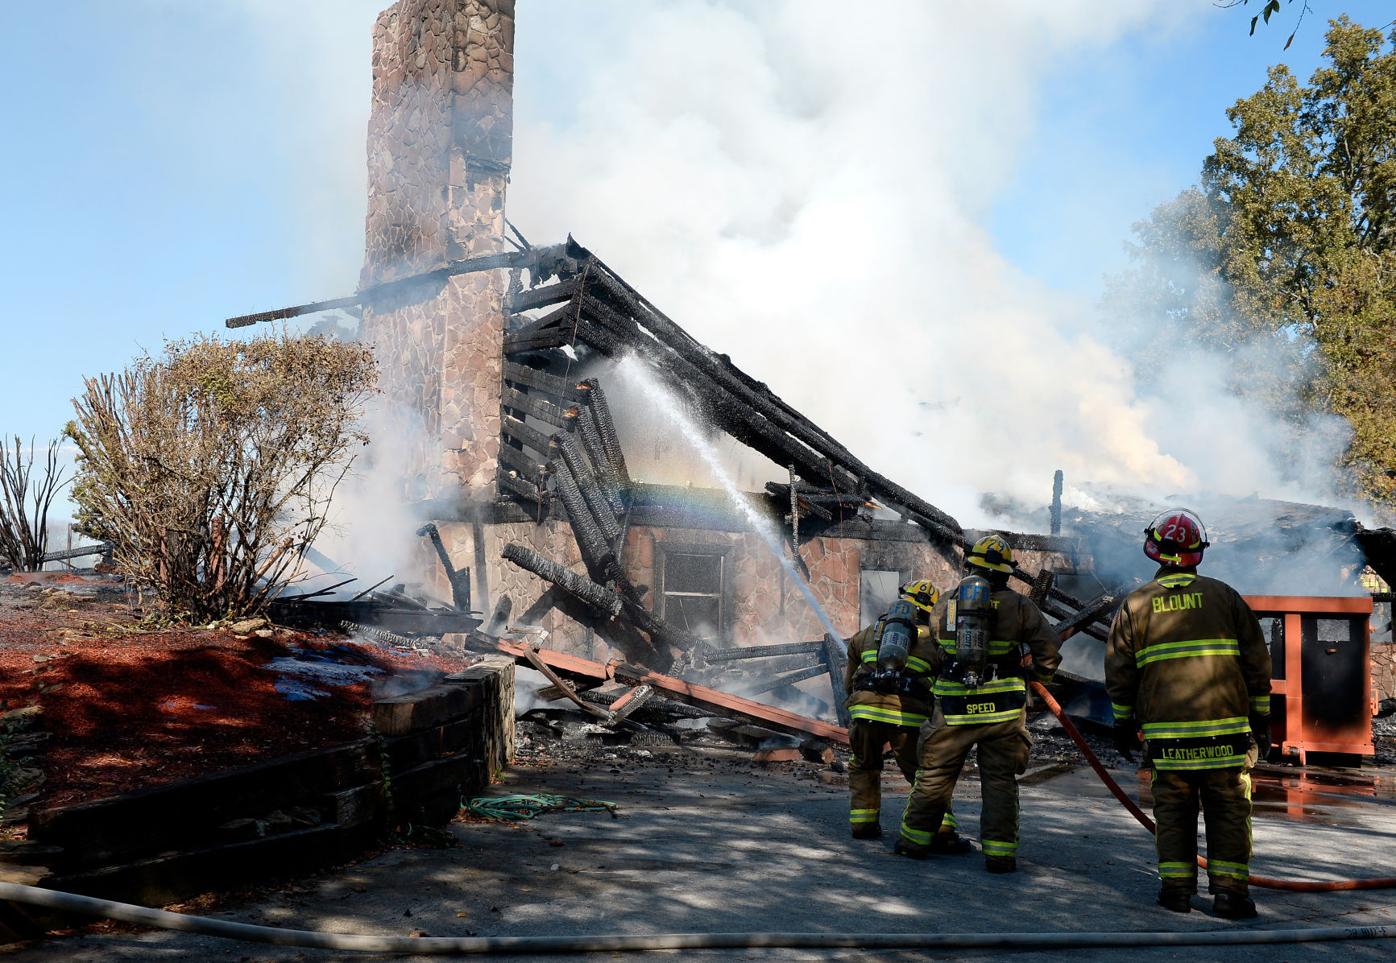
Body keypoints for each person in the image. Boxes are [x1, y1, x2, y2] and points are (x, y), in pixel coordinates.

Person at [1105, 509, 1271, 919]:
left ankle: (1176, 892)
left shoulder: (1136, 604)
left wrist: (1123, 722)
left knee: (1174, 812)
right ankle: (1231, 895)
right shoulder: (1224, 596)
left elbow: (1120, 671)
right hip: (1226, 736)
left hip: (1167, 738)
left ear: (1155, 552)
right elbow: (1257, 663)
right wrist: (1262, 719)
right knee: (1229, 810)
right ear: (1198, 553)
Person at [895, 535, 1060, 872]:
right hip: (1004, 710)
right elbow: (1049, 650)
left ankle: (914, 842)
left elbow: (936, 646)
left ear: (970, 567)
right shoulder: (1020, 606)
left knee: (935, 775)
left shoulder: (946, 604)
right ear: (1005, 573)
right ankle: (999, 854)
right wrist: (1039, 678)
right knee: (999, 780)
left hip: (954, 706)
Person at [843, 580, 967, 851]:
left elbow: (849, 679)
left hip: (864, 712)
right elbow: (945, 681)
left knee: (864, 767)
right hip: (907, 716)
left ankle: (863, 825)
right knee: (923, 775)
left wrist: (855, 704)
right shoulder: (933, 640)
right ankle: (943, 830)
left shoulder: (866, 633)